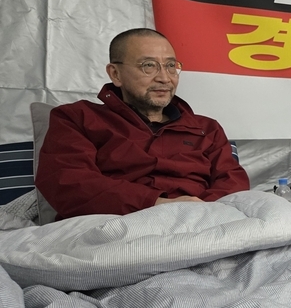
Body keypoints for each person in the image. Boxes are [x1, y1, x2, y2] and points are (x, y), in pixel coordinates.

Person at [35, 28, 250, 219]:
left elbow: (233, 183)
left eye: (171, 66)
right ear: (116, 74)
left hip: (203, 225)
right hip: (115, 226)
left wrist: (199, 212)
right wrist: (158, 204)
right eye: (149, 66)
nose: (164, 78)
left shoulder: (206, 129)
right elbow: (68, 183)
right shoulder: (77, 118)